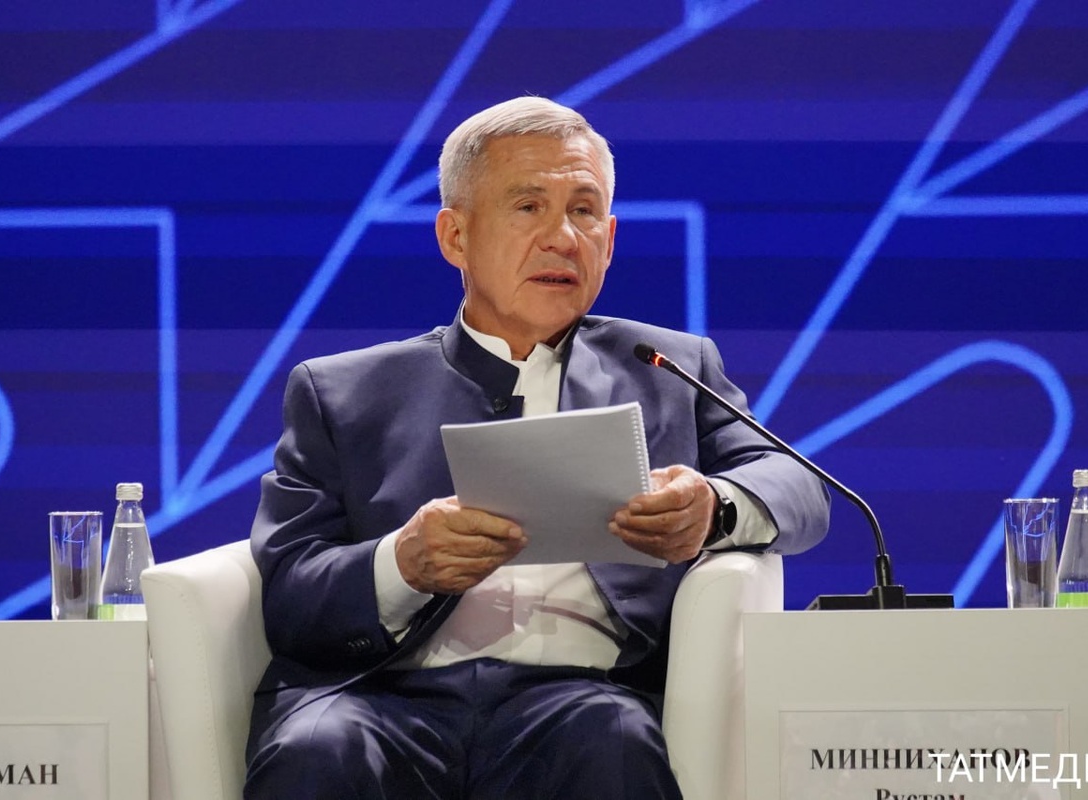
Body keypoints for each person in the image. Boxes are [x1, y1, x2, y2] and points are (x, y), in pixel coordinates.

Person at [243, 96, 831, 799]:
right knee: (317, 749)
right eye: (528, 207)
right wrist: (403, 563)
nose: (563, 237)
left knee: (613, 743)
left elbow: (799, 487)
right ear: (455, 236)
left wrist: (713, 507)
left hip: (582, 696)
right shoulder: (343, 390)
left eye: (584, 211)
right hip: (378, 694)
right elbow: (291, 593)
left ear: (609, 238)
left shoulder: (667, 367)